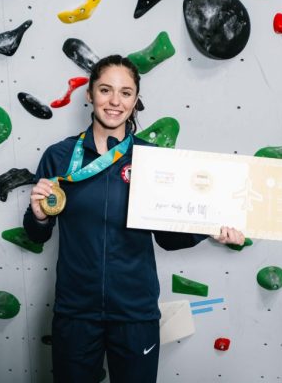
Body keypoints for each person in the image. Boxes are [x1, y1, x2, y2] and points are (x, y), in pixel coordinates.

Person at [23, 55, 245, 383]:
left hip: (135, 312)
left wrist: (212, 229)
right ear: (89, 94)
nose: (115, 101)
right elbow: (37, 235)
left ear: (135, 100)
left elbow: (168, 238)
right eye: (105, 90)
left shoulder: (153, 161)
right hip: (75, 311)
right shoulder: (59, 156)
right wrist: (39, 216)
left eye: (126, 93)